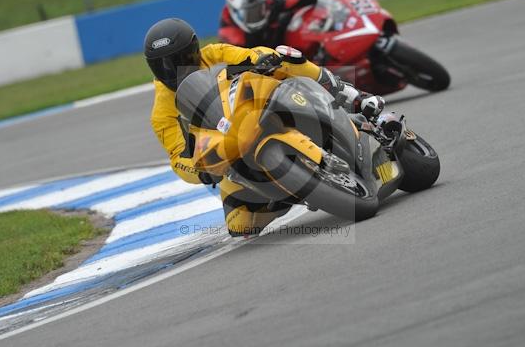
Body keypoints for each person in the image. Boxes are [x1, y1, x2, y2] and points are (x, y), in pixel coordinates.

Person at [145, 18, 383, 236]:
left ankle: (350, 94)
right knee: (240, 225)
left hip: (258, 107)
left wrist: (262, 58)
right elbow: (178, 158)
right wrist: (200, 171)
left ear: (195, 50)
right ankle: (289, 190)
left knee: (286, 57)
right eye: (162, 66)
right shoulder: (161, 114)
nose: (173, 70)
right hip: (232, 153)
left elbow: (250, 54)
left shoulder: (214, 54)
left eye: (180, 60)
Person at [219, 0, 360, 48]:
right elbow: (233, 70)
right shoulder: (229, 34)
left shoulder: (272, 1)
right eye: (249, 13)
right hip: (257, 64)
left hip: (282, 48)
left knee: (293, 15)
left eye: (258, 8)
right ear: (235, 12)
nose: (257, 15)